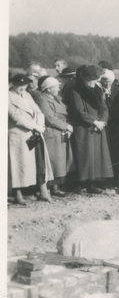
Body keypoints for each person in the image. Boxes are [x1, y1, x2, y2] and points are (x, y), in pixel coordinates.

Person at [9, 74, 55, 204]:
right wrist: (34, 126)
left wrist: (40, 125)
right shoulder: (7, 96)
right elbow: (15, 116)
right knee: (18, 164)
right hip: (20, 135)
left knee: (40, 161)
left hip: (34, 133)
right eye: (19, 85)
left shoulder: (27, 96)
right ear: (12, 84)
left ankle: (43, 191)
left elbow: (38, 111)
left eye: (24, 85)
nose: (22, 87)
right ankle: (18, 194)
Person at [68, 65, 114, 194]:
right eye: (94, 79)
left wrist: (102, 121)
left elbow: (104, 108)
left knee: (96, 156)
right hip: (85, 128)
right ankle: (82, 183)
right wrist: (94, 122)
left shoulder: (97, 89)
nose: (96, 82)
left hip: (98, 126)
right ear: (87, 79)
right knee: (85, 156)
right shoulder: (76, 91)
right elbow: (79, 111)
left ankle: (93, 183)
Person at [34, 76, 74, 197]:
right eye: (55, 87)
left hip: (60, 132)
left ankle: (56, 187)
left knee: (60, 162)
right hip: (52, 133)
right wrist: (66, 126)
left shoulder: (56, 98)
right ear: (48, 89)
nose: (58, 88)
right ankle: (50, 188)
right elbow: (50, 118)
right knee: (53, 162)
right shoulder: (42, 99)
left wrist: (66, 127)